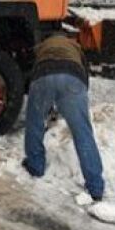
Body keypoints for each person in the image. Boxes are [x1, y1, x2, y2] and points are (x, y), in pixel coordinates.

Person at [23, 32, 105, 201]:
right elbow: (85, 73)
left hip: (43, 74)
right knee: (82, 132)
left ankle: (36, 165)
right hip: (73, 77)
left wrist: (43, 99)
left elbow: (32, 68)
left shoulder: (43, 46)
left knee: (34, 122)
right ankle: (95, 186)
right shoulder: (75, 47)